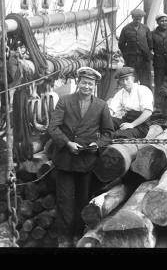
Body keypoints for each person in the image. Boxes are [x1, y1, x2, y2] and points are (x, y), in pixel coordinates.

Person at [47, 67, 114, 247]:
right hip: (65, 159)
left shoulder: (101, 105)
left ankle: (78, 234)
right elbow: (53, 128)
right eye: (84, 82)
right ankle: (64, 237)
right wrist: (67, 143)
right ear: (78, 83)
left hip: (86, 161)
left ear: (94, 86)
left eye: (90, 84)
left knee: (83, 200)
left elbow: (108, 133)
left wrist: (97, 145)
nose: (86, 86)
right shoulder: (64, 100)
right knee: (64, 200)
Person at [109, 67, 153, 139]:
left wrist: (132, 125)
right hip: (126, 121)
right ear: (119, 82)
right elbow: (112, 109)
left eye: (127, 79)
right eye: (122, 80)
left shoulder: (143, 90)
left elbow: (148, 112)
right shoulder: (121, 93)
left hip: (140, 125)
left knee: (118, 135)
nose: (125, 83)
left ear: (132, 78)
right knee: (108, 121)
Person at [118, 8, 153, 88]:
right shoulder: (126, 29)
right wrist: (127, 54)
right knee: (132, 80)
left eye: (139, 19)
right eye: (136, 19)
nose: (137, 21)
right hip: (131, 60)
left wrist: (148, 53)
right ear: (132, 17)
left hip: (144, 59)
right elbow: (121, 44)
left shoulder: (145, 28)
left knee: (146, 81)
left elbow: (150, 43)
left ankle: (147, 99)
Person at [151, 13, 167, 90]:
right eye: (161, 21)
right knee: (159, 82)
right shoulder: (152, 34)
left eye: (166, 21)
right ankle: (159, 101)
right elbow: (149, 48)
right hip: (158, 62)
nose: (164, 23)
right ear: (157, 22)